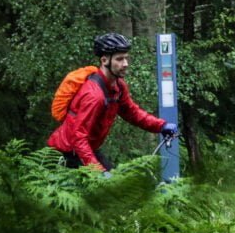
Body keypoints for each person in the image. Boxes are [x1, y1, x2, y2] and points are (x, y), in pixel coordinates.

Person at [48, 33, 178, 174]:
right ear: (104, 60)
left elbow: (132, 113)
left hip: (86, 150)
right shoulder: (93, 95)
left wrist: (161, 126)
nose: (125, 64)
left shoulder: (118, 86)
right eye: (119, 59)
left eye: (126, 58)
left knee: (116, 188)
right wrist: (98, 172)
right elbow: (78, 137)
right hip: (66, 154)